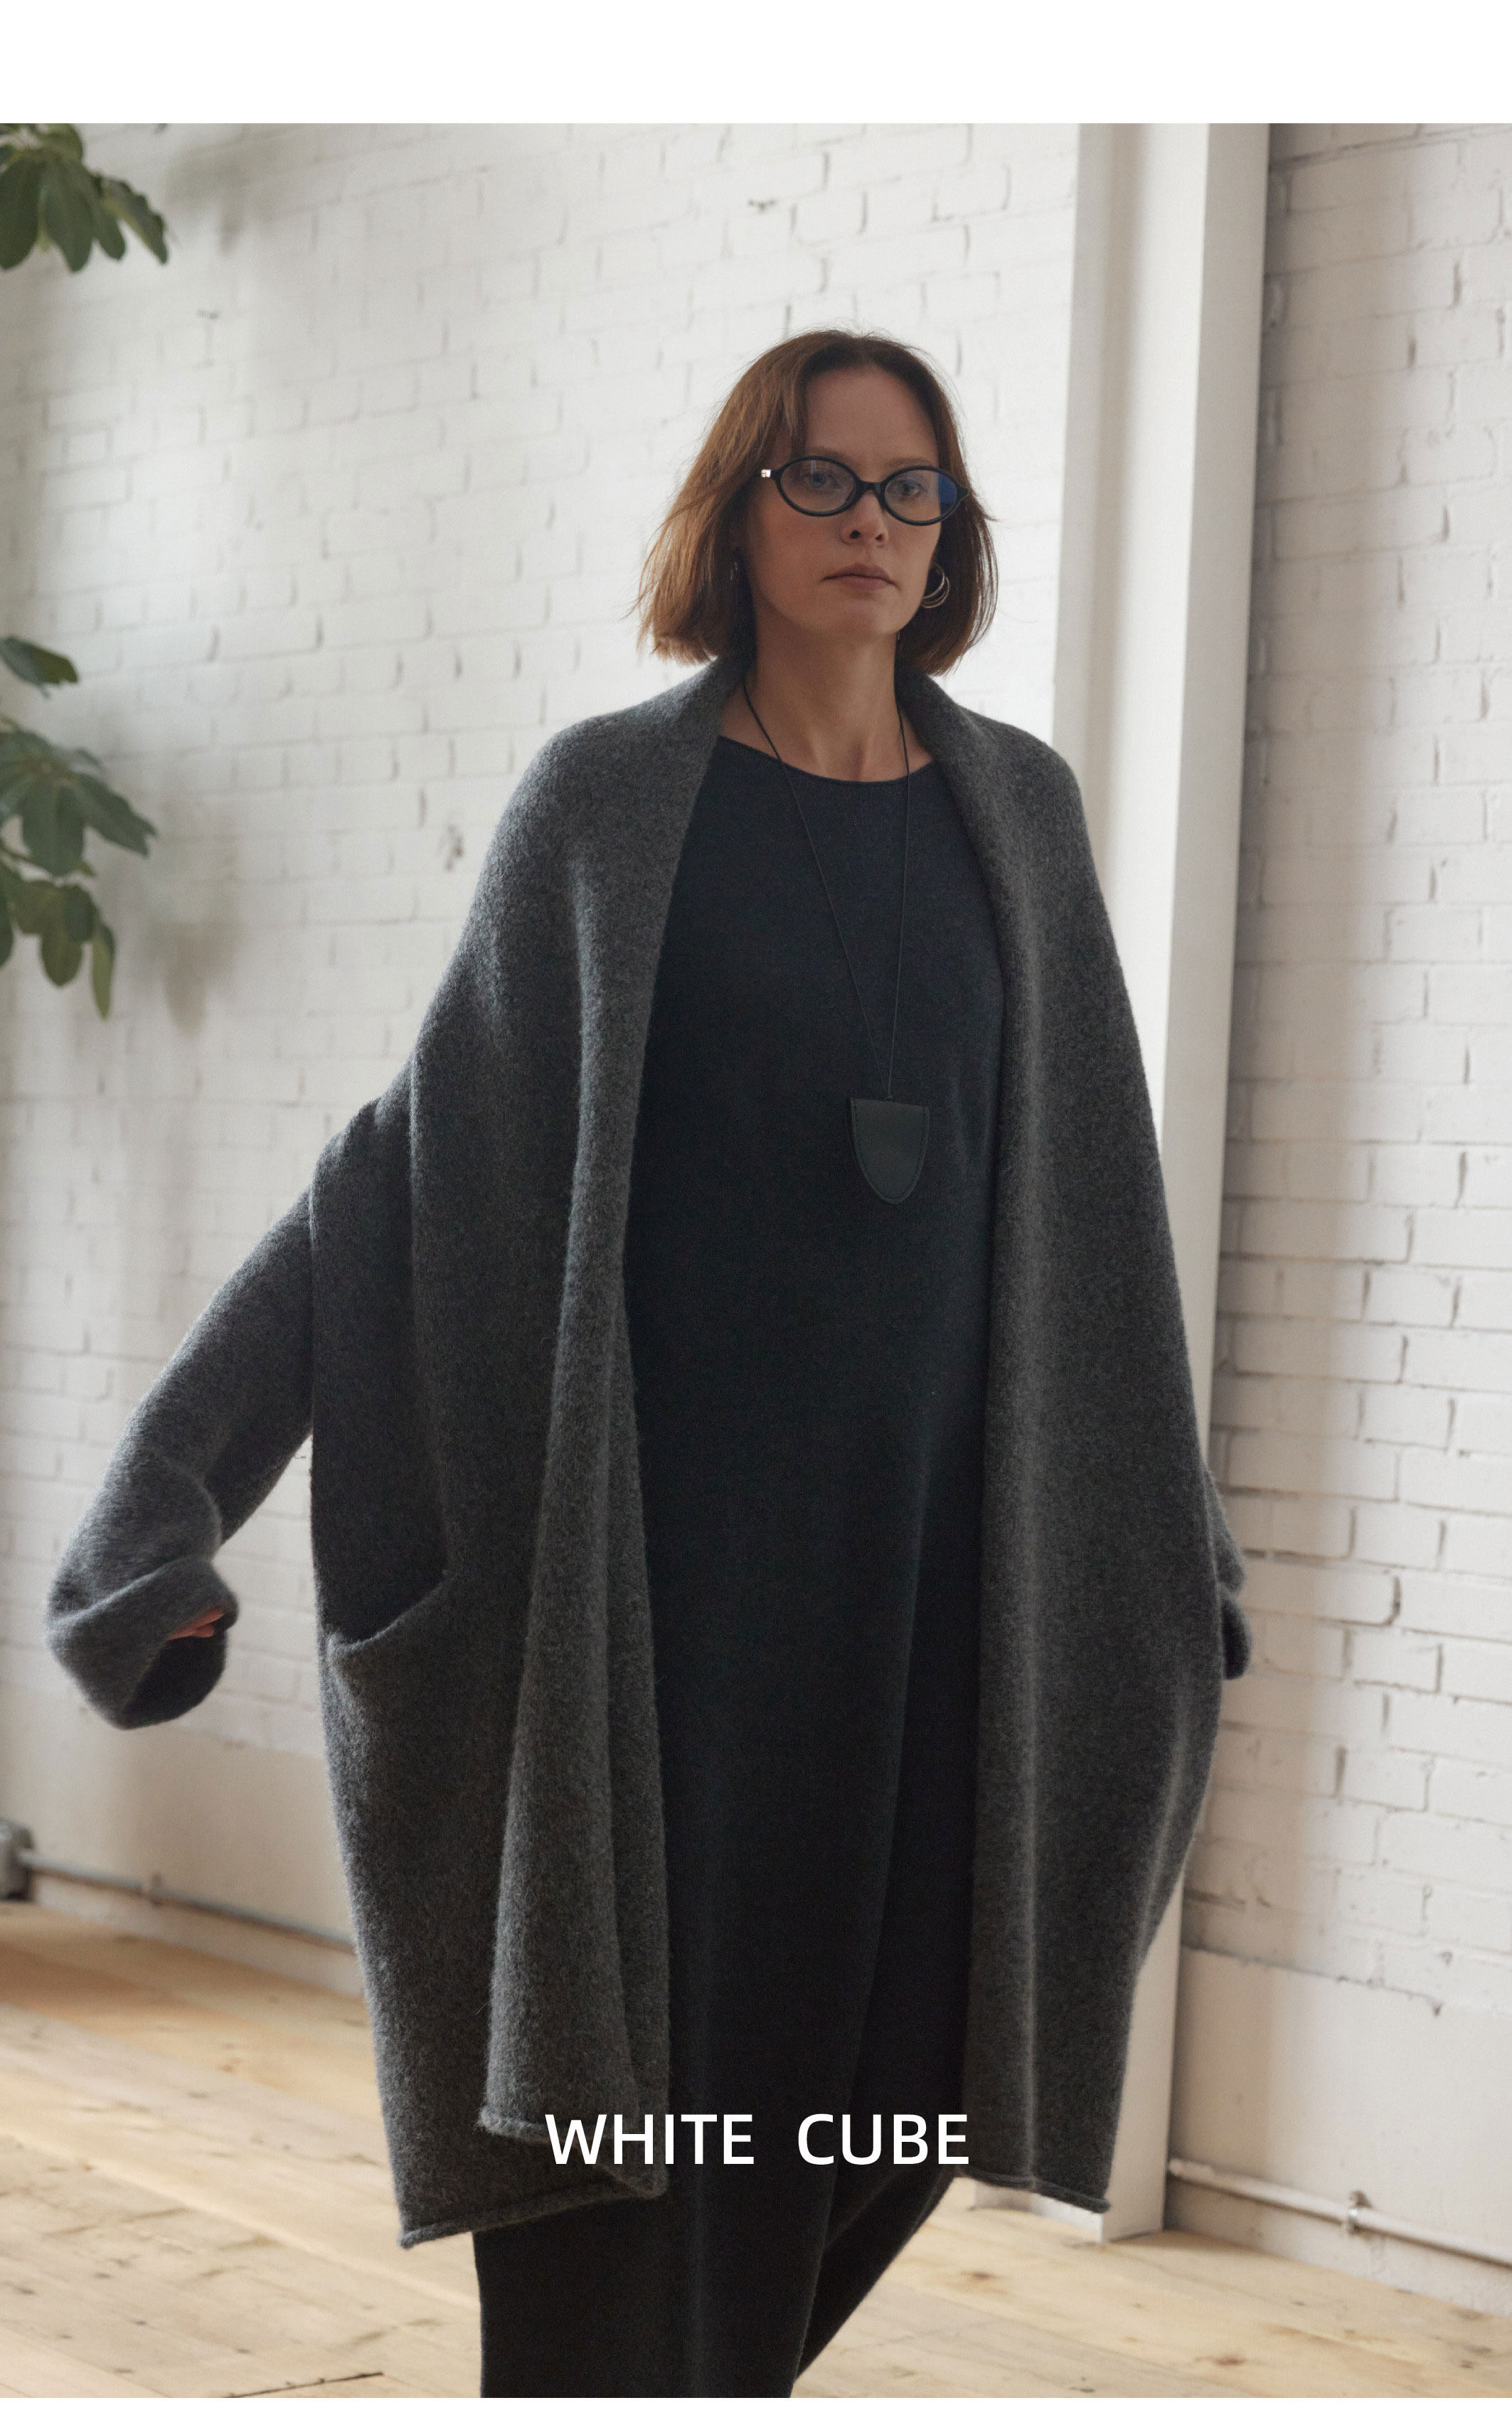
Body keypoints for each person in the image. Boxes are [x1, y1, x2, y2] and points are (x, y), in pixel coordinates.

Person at [46, 329, 1250, 2397]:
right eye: (820, 478)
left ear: (952, 531)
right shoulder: (609, 810)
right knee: (636, 2170)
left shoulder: (1021, 816)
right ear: (737, 511)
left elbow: (1100, 1229)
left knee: (888, 2101)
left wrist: (1173, 1553)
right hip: (666, 1618)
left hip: (938, 1606)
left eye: (912, 486)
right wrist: (154, 1518)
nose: (870, 521)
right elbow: (399, 1191)